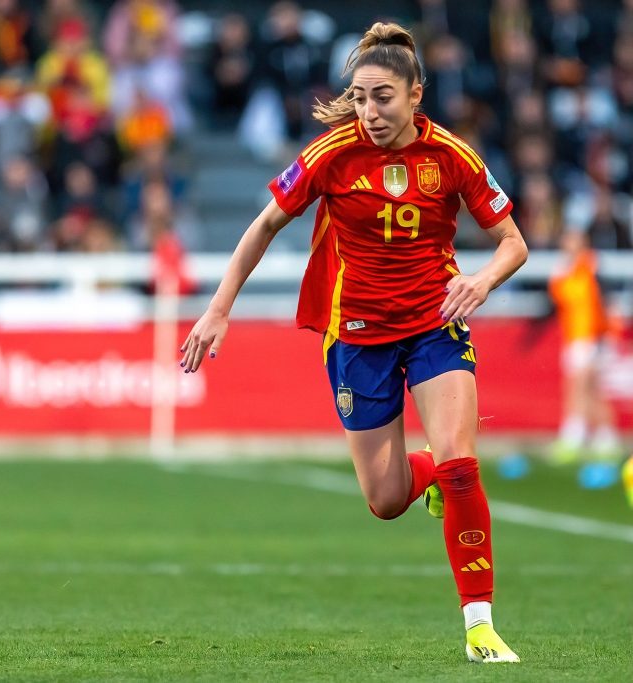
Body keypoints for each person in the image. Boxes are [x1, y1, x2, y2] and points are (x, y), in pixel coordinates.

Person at [180, 23, 528, 664]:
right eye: (360, 98)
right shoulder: (332, 153)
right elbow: (265, 224)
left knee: (462, 464)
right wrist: (218, 308)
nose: (369, 111)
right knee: (386, 499)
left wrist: (480, 281)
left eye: (383, 97)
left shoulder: (453, 156)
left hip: (435, 321)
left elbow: (514, 243)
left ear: (415, 94)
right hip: (358, 336)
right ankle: (425, 471)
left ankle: (479, 626)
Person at [546, 230, 622, 462]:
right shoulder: (562, 273)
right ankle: (606, 436)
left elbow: (605, 302)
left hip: (593, 337)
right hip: (573, 337)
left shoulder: (591, 267)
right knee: (590, 389)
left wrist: (605, 336)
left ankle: (575, 434)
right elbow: (556, 306)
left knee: (579, 385)